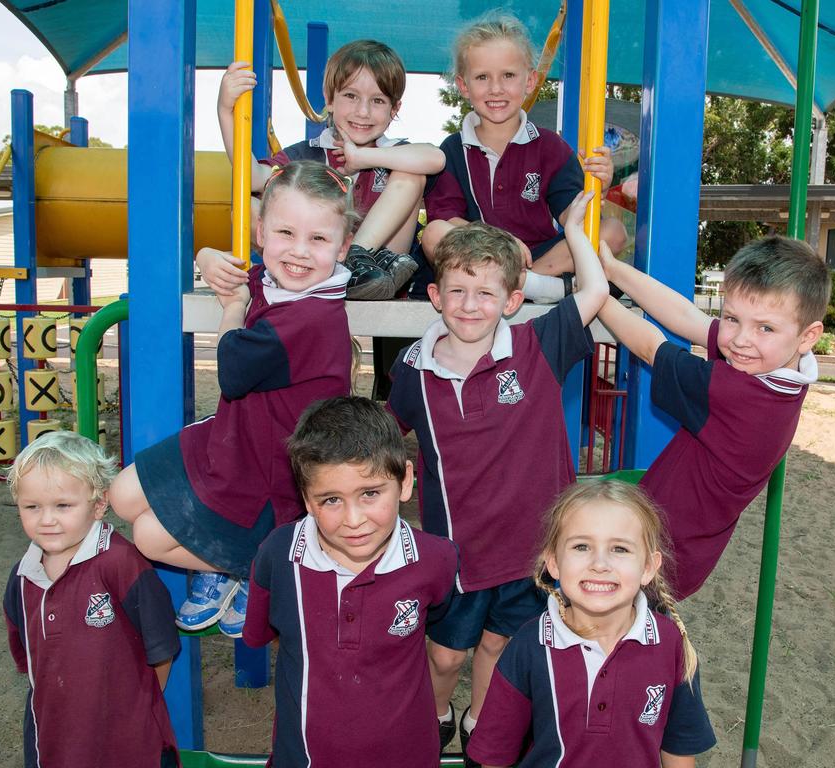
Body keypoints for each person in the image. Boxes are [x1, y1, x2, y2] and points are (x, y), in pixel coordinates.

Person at [386, 190, 609, 764]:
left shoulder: (537, 346)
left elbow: (595, 291)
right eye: (456, 290)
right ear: (435, 295)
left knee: (501, 645)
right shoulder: (414, 369)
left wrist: (574, 229)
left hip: (528, 550)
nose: (469, 305)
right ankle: (435, 713)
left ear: (511, 301)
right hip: (457, 551)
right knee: (445, 655)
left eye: (485, 293)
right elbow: (381, 438)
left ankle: (482, 722)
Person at [110, 160, 356, 636]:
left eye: (319, 239)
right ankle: (225, 561)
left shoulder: (313, 317)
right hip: (234, 436)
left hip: (268, 473)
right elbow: (243, 272)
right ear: (261, 231)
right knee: (121, 495)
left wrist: (232, 307)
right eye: (286, 233)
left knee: (147, 535)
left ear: (343, 246)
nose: (300, 252)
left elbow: (230, 371)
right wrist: (206, 256)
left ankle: (244, 566)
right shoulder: (281, 280)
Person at [596, 235, 831, 599]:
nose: (739, 339)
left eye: (764, 327)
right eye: (731, 318)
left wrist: (595, 294)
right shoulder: (783, 373)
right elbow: (688, 316)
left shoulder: (741, 393)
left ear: (808, 335)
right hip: (676, 548)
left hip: (654, 556)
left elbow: (648, 347)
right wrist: (614, 269)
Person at [243, 396, 459, 767]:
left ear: (405, 481)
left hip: (408, 754)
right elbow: (275, 634)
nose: (353, 519)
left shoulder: (438, 560)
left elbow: (444, 645)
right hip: (304, 756)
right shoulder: (278, 556)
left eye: (370, 493)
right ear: (306, 500)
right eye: (330, 500)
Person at [467, 480, 716, 767]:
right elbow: (495, 756)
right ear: (553, 562)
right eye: (582, 546)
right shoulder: (529, 645)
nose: (600, 564)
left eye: (620, 549)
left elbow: (679, 750)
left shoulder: (671, 644)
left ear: (648, 567)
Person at [208, 40, 446, 300]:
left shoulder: (393, 151)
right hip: (317, 259)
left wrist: (362, 157)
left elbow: (435, 158)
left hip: (380, 267)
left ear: (394, 109)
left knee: (411, 171)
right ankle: (332, 267)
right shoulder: (306, 154)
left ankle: (356, 258)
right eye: (350, 96)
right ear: (329, 98)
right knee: (249, 206)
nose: (362, 111)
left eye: (377, 100)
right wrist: (225, 111)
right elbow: (253, 178)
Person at [3, 431, 180, 768]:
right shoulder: (22, 578)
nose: (47, 519)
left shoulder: (121, 563)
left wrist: (136, 708)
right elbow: (29, 659)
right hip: (54, 737)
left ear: (98, 505)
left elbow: (161, 649)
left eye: (63, 505)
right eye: (32, 507)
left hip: (128, 739)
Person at [422, 12, 614, 304]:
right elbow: (447, 219)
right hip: (482, 260)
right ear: (464, 86)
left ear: (529, 81)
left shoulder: (550, 147)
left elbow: (573, 218)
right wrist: (499, 241)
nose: (496, 88)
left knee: (610, 231)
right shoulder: (451, 150)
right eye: (482, 77)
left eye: (508, 75)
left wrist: (598, 187)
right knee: (433, 233)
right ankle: (544, 288)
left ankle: (529, 282)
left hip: (539, 259)